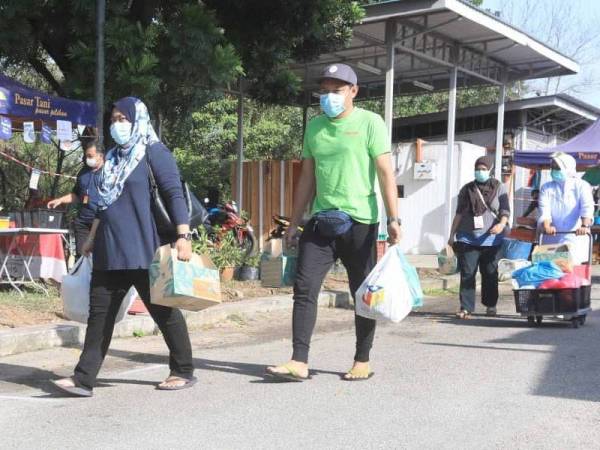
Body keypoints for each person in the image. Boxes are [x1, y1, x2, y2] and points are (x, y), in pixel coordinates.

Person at [51, 97, 195, 397]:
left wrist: (184, 236)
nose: (117, 124)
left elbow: (173, 195)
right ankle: (83, 378)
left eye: (122, 118)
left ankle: (182, 369)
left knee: (164, 312)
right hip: (109, 249)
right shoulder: (113, 158)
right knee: (99, 315)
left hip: (145, 250)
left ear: (137, 118)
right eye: (114, 119)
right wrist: (91, 238)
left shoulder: (155, 152)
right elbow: (104, 204)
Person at [266, 63, 401, 382]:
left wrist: (394, 218)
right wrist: (294, 223)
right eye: (324, 92)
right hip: (321, 221)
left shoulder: (370, 123)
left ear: (353, 92)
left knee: (362, 292)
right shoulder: (314, 127)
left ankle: (362, 360)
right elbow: (306, 179)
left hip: (360, 223)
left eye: (336, 91)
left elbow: (385, 173)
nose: (329, 97)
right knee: (304, 287)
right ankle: (299, 360)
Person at [448, 156, 510, 319]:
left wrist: (501, 225)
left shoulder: (499, 187)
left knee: (490, 273)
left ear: (489, 170)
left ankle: (490, 304)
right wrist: (451, 235)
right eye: (478, 168)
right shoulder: (467, 189)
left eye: (483, 169)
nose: (480, 171)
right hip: (467, 238)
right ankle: (466, 308)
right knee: (468, 273)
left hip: (492, 239)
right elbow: (459, 214)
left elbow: (505, 210)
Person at [48, 140, 104, 258]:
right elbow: (76, 195)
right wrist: (60, 200)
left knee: (100, 257)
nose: (87, 158)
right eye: (86, 156)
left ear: (100, 155)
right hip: (83, 222)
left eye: (90, 156)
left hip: (101, 221)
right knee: (82, 256)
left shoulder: (108, 172)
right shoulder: (83, 172)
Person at [538, 152, 594, 261]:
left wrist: (584, 226)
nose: (553, 169)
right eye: (552, 166)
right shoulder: (546, 187)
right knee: (549, 273)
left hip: (575, 237)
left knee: (572, 273)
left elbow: (587, 208)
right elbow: (544, 210)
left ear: (567, 168)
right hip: (552, 237)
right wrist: (547, 226)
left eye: (557, 167)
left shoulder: (582, 186)